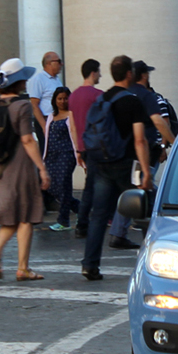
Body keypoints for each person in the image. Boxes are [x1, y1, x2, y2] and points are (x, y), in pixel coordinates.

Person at [81, 55, 153, 281]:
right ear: (129, 74)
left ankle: (90, 264)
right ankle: (155, 261)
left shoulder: (102, 99)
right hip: (126, 165)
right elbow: (140, 140)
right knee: (146, 211)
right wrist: (146, 170)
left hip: (101, 163)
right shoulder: (131, 101)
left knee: (99, 216)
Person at [0, 58, 52, 282]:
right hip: (20, 167)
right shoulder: (21, 106)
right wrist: (42, 169)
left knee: (13, 216)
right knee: (26, 215)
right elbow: (27, 140)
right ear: (19, 81)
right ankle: (21, 267)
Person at [105, 60, 175, 247]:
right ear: (144, 75)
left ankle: (122, 232)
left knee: (135, 190)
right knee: (145, 189)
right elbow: (160, 122)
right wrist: (172, 143)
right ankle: (149, 233)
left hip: (122, 152)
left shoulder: (122, 95)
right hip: (143, 150)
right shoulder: (147, 96)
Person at [69, 59, 103, 240]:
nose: (100, 75)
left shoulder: (73, 96)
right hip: (98, 146)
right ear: (93, 73)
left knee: (92, 184)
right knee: (92, 186)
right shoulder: (98, 95)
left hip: (83, 147)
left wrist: (77, 149)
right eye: (99, 72)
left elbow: (73, 126)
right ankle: (83, 223)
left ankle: (85, 222)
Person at [43, 86, 80, 231]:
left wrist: (78, 152)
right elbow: (47, 137)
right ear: (55, 100)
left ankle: (63, 220)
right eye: (59, 98)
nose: (62, 101)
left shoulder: (71, 115)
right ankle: (82, 209)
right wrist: (44, 156)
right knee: (53, 187)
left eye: (65, 98)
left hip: (66, 154)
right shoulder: (51, 116)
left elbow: (74, 134)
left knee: (64, 186)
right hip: (51, 155)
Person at [28, 51, 64, 146]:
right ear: (49, 63)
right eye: (59, 61)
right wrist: (44, 126)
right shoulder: (38, 79)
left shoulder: (57, 80)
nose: (61, 64)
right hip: (46, 120)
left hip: (58, 120)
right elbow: (34, 104)